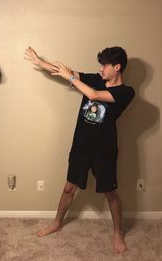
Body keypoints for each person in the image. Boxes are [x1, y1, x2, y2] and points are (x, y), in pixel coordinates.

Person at [25, 46, 135, 254]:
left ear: (117, 67)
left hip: (104, 150)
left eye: (105, 65)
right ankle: (57, 222)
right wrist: (40, 62)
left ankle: (118, 232)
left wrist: (72, 79)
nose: (101, 69)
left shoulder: (126, 92)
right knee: (68, 188)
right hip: (81, 147)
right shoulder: (94, 79)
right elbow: (62, 72)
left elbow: (93, 95)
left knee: (110, 193)